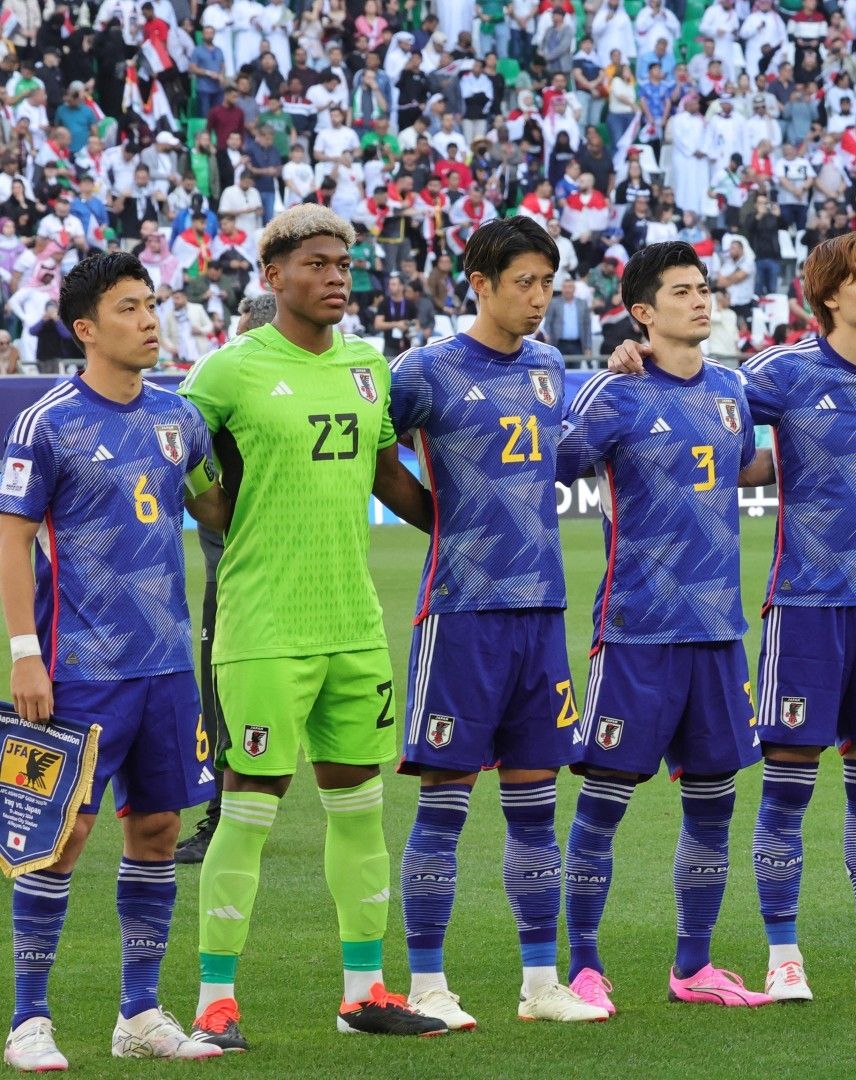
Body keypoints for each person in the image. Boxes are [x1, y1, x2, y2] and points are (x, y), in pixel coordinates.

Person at [609, 231, 856, 1000]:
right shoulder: (781, 372)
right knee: (788, 786)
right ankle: (784, 955)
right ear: (829, 293)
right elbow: (699, 394)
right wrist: (628, 361)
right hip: (803, 607)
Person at [178, 204, 445, 1048]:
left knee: (361, 810)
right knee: (250, 806)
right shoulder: (230, 370)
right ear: (273, 276)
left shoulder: (368, 366)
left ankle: (363, 994)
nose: (337, 277)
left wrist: (463, 522)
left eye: (345, 265)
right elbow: (171, 446)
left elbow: (384, 473)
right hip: (262, 624)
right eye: (319, 264)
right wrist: (216, 510)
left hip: (354, 624)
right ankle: (215, 1002)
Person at [0, 253, 231, 1071]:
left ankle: (138, 1012)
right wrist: (25, 654)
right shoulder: (49, 421)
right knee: (62, 839)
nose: (148, 318)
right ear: (86, 328)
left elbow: (212, 505)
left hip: (167, 666)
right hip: (78, 666)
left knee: (160, 829)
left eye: (152, 302)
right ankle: (28, 1021)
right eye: (129, 307)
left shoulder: (180, 417)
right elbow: (13, 538)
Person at [385, 217, 607, 1031]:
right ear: (478, 281)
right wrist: (440, 523)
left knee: (534, 806)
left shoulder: (550, 367)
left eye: (549, 283)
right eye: (525, 282)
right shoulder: (426, 371)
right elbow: (379, 454)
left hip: (541, 614)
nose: (540, 299)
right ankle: (428, 982)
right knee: (443, 805)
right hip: (462, 615)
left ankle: (540, 982)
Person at [556, 242, 779, 1011]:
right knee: (603, 806)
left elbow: (740, 466)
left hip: (718, 631)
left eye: (705, 287)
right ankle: (583, 965)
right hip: (636, 631)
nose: (701, 300)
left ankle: (694, 966)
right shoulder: (613, 392)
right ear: (642, 312)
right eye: (682, 291)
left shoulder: (730, 391)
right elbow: (548, 460)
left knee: (713, 805)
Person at [176, 295, 281, 867]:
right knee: (225, 691)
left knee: (226, 687)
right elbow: (180, 443)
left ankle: (232, 810)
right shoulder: (220, 380)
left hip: (251, 560)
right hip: (234, 554)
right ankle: (228, 809)